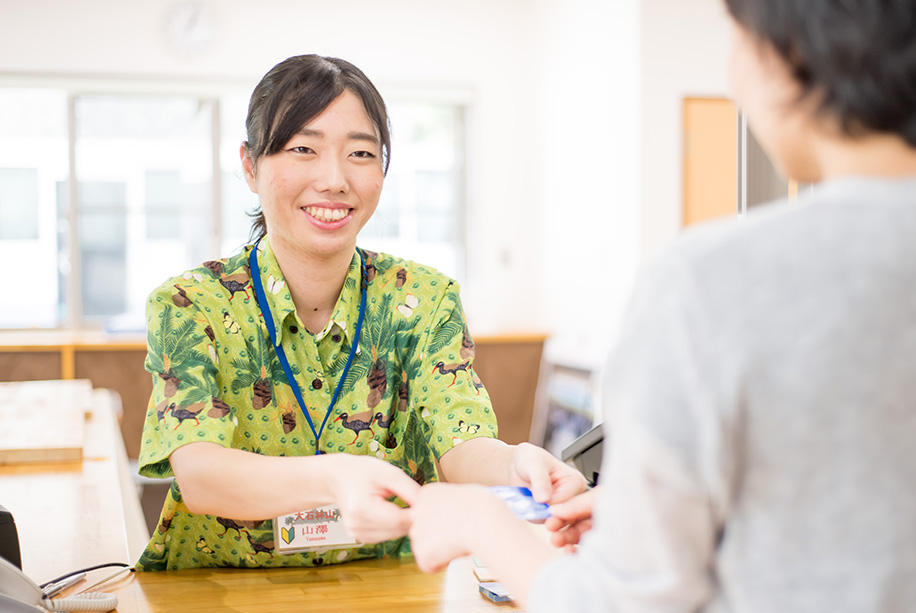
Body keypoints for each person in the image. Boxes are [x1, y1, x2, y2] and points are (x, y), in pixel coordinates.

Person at [408, 1, 916, 613]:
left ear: (794, 52)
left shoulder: (712, 283)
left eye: (739, 40)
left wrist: (478, 521)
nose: (732, 78)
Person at [136, 55, 587, 571]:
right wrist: (333, 476)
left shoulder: (422, 301)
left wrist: (516, 463)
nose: (334, 179)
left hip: (385, 597)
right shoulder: (191, 303)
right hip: (219, 602)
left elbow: (462, 444)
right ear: (249, 165)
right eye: (303, 148)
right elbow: (200, 474)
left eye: (361, 153)